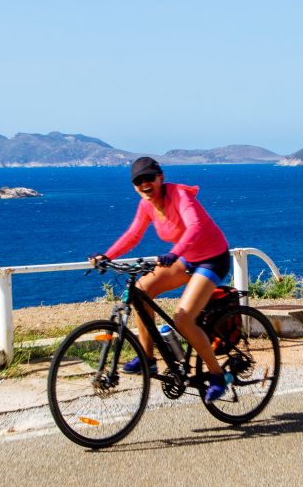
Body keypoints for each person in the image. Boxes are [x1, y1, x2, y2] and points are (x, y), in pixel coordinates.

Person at [90, 157, 234, 401]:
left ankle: (218, 375)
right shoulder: (146, 205)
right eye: (138, 181)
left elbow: (195, 226)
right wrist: (107, 255)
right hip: (186, 257)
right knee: (140, 291)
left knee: (183, 319)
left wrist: (174, 253)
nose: (144, 184)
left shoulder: (180, 195)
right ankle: (148, 359)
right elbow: (133, 234)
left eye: (149, 178)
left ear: (161, 178)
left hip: (212, 259)